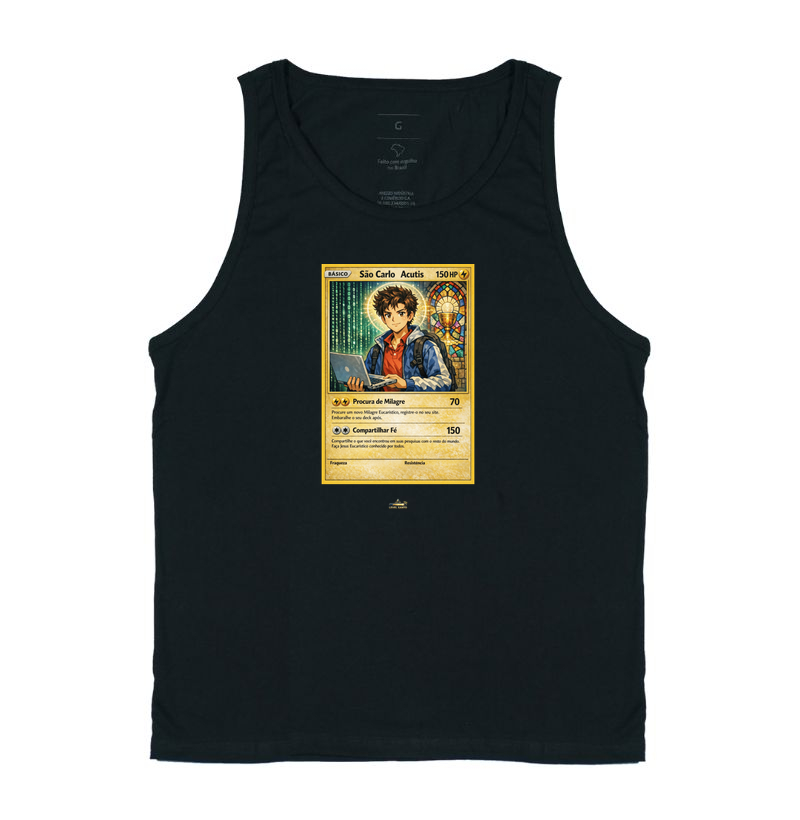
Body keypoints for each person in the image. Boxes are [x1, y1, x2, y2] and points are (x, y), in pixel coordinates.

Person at [346, 285, 452, 392]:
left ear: (410, 315)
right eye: (388, 315)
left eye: (400, 313)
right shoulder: (376, 351)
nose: (394, 319)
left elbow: (444, 382)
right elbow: (368, 384)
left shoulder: (425, 347)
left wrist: (406, 384)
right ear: (383, 319)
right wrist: (359, 389)